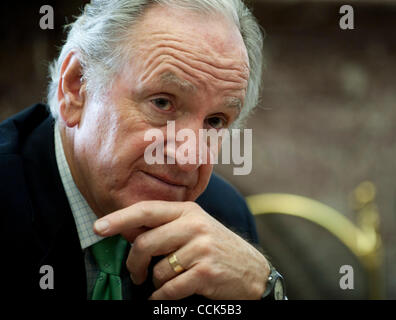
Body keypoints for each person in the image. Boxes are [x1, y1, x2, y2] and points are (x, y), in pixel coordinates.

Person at [0, 0, 285, 300]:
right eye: (162, 103)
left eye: (215, 121)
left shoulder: (225, 217)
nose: (188, 158)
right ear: (75, 87)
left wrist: (267, 289)